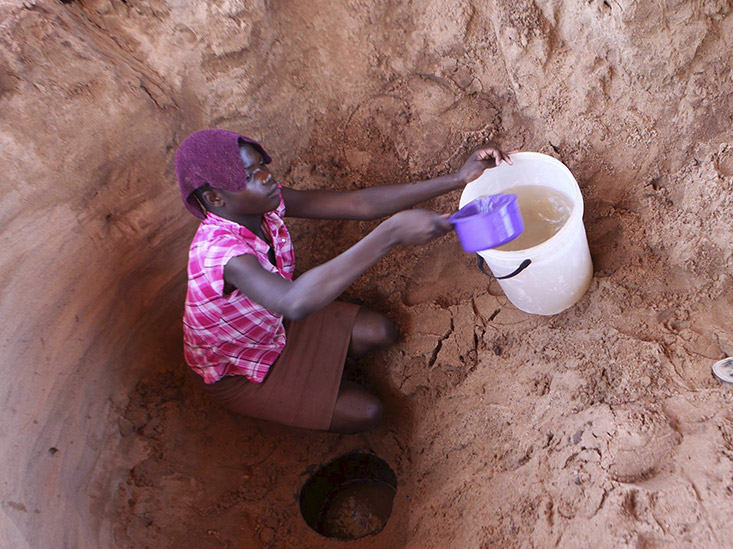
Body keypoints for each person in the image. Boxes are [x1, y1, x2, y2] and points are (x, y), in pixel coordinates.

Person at [174, 128, 510, 433]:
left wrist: (457, 177)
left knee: (381, 331)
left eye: (262, 165)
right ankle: (299, 396)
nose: (266, 177)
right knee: (368, 413)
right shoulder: (221, 253)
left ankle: (322, 380)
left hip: (277, 328)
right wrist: (390, 233)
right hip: (243, 369)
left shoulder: (265, 204)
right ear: (215, 199)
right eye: (249, 175)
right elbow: (293, 302)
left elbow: (357, 203)